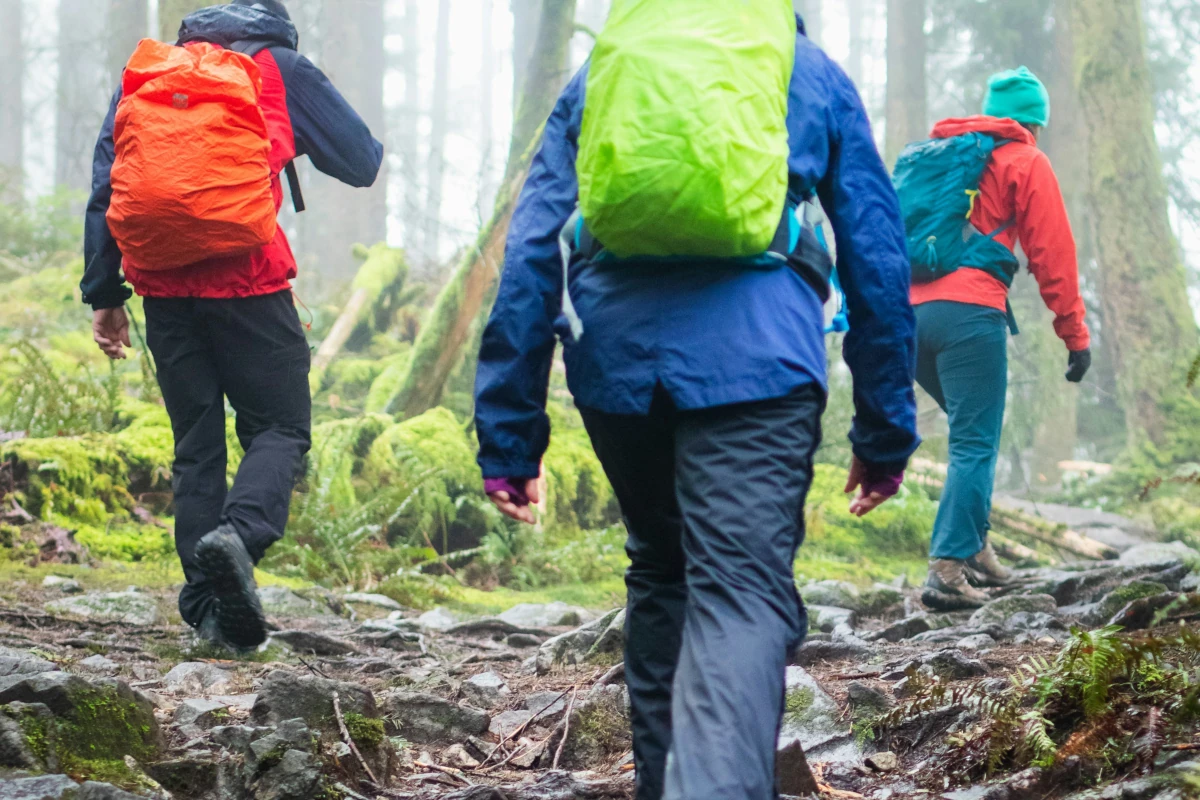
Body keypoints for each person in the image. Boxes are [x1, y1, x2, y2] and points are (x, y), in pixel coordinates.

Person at [474, 14, 919, 800]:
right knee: (740, 590)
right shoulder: (807, 68)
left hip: (617, 361)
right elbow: (876, 251)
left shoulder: (606, 68)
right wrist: (884, 428)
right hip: (760, 359)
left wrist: (510, 432)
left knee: (661, 568)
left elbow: (534, 245)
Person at [82, 0, 383, 650]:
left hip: (162, 286)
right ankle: (239, 539)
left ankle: (208, 612)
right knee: (280, 427)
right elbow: (361, 162)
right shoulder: (280, 66)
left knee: (196, 445)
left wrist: (104, 292)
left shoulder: (150, 71)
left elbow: (108, 183)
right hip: (249, 281)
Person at [903, 67, 1091, 610]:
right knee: (974, 440)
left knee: (973, 430)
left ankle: (976, 549)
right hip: (968, 314)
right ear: (1034, 122)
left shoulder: (941, 156)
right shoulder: (1025, 160)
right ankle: (946, 568)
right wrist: (1074, 334)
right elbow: (1053, 255)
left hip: (905, 315)